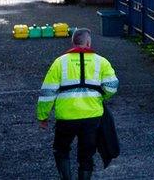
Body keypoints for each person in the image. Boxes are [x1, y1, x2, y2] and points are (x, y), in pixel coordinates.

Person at [37, 28, 118, 180]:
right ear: (88, 42)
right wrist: (100, 97)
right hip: (92, 116)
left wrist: (43, 116)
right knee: (86, 155)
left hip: (66, 117)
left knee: (61, 150)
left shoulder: (60, 62)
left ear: (73, 42)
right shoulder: (102, 62)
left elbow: (47, 92)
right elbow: (112, 87)